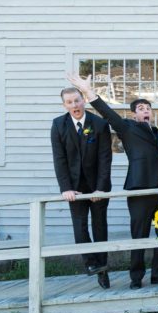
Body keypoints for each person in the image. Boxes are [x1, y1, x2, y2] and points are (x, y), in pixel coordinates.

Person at [67, 73, 158, 290]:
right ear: (134, 115)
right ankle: (136, 278)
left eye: (147, 108)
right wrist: (88, 91)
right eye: (140, 108)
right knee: (139, 236)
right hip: (139, 189)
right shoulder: (127, 128)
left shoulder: (157, 134)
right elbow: (105, 112)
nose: (145, 110)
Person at [50, 86, 112, 289]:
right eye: (69, 102)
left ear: (83, 100)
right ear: (64, 105)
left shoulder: (99, 124)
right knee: (80, 227)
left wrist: (101, 188)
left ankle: (103, 270)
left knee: (100, 226)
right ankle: (91, 263)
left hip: (97, 187)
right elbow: (59, 159)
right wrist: (66, 188)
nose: (74, 105)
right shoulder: (58, 125)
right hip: (74, 187)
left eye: (77, 100)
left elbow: (105, 159)